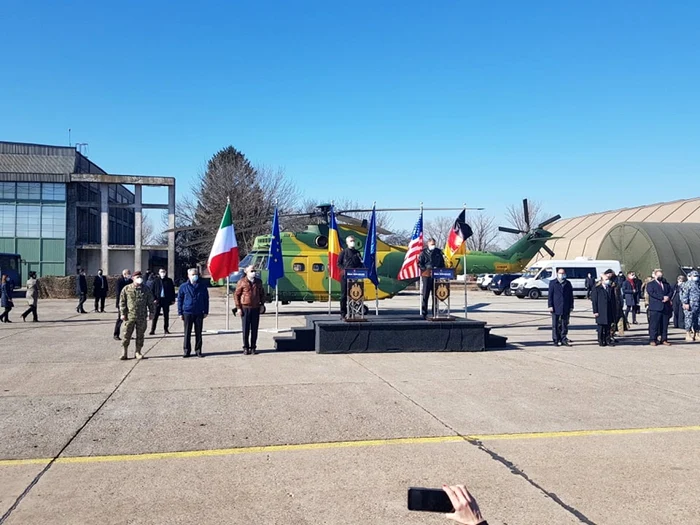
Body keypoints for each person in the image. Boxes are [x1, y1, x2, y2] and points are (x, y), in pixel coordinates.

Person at [119, 270, 154, 360]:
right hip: (129, 316)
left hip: (142, 316)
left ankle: (138, 352)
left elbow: (150, 302)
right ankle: (124, 352)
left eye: (140, 277)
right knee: (126, 335)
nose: (139, 279)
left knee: (140, 335)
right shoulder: (127, 289)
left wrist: (152, 312)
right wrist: (122, 313)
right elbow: (122, 302)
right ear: (133, 278)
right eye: (137, 277)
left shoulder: (146, 289)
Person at [234, 265, 266, 355]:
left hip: (255, 307)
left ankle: (253, 347)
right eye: (251, 271)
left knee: (254, 329)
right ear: (246, 271)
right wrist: (238, 308)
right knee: (246, 329)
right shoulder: (242, 282)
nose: (253, 272)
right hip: (245, 308)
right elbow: (236, 295)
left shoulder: (258, 282)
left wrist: (262, 304)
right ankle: (245, 347)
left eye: (254, 270)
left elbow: (261, 294)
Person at [177, 268, 209, 358]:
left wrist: (206, 311)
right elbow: (180, 300)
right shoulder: (183, 287)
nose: (195, 276)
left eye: (196, 274)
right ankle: (186, 351)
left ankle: (198, 350)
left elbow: (206, 299)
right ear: (188, 276)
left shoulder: (202, 286)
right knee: (187, 332)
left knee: (198, 333)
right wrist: (180, 313)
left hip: (199, 312)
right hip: (187, 312)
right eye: (193, 274)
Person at [418, 238, 446, 319]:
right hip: (426, 276)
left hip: (436, 275)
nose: (433, 246)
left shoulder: (438, 252)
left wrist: (441, 270)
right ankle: (424, 313)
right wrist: (426, 269)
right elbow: (420, 263)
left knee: (435, 295)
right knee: (425, 295)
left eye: (434, 244)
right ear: (428, 244)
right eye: (432, 244)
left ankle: (435, 313)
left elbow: (442, 263)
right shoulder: (423, 252)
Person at [337, 235, 364, 320]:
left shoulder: (357, 253)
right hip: (345, 276)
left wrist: (359, 269)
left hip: (355, 277)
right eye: (351, 241)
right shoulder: (343, 252)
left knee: (355, 295)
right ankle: (343, 313)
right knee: (344, 295)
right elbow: (338, 263)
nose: (353, 242)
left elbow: (360, 263)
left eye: (354, 240)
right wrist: (344, 269)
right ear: (347, 242)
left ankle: (353, 312)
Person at [548, 267, 574, 346]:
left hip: (565, 306)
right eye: (560, 273)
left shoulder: (568, 283)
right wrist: (550, 305)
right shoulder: (553, 283)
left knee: (564, 324)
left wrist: (571, 305)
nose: (561, 275)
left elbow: (570, 296)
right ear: (557, 274)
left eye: (563, 273)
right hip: (556, 306)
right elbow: (550, 295)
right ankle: (555, 339)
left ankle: (563, 338)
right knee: (555, 324)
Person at [647, 268, 672, 346]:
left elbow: (671, 291)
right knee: (654, 325)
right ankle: (653, 339)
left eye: (661, 275)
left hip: (665, 307)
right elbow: (651, 293)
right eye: (658, 275)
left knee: (664, 325)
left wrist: (668, 297)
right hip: (655, 307)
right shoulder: (650, 284)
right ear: (655, 275)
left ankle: (664, 339)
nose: (660, 277)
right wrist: (662, 298)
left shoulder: (666, 284)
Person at [591, 273, 617, 346]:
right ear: (602, 281)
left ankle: (607, 340)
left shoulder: (610, 288)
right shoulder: (597, 289)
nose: (607, 281)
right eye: (606, 280)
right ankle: (601, 340)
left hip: (609, 310)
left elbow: (613, 300)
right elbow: (594, 301)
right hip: (601, 310)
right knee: (601, 327)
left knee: (608, 327)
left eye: (608, 280)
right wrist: (595, 311)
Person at [149, 268, 176, 335]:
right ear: (159, 272)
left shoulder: (169, 280)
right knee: (155, 316)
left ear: (166, 272)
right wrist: (154, 299)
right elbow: (151, 291)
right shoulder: (155, 281)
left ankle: (166, 329)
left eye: (164, 271)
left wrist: (173, 299)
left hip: (166, 300)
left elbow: (172, 291)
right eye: (161, 272)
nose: (163, 273)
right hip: (157, 300)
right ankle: (153, 330)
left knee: (166, 316)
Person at [680, 270, 700, 342]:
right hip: (690, 305)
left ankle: (697, 333)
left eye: (697, 276)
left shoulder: (698, 284)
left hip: (698, 305)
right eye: (694, 276)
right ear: (690, 276)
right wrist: (685, 303)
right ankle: (688, 334)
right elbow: (685, 294)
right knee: (689, 319)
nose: (696, 277)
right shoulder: (687, 284)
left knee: (697, 320)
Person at [113, 269, 132, 340]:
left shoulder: (130, 281)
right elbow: (118, 293)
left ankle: (127, 334)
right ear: (124, 274)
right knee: (120, 319)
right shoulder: (119, 281)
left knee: (129, 320)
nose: (130, 274)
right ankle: (116, 334)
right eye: (128, 273)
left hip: (130, 303)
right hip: (122, 303)